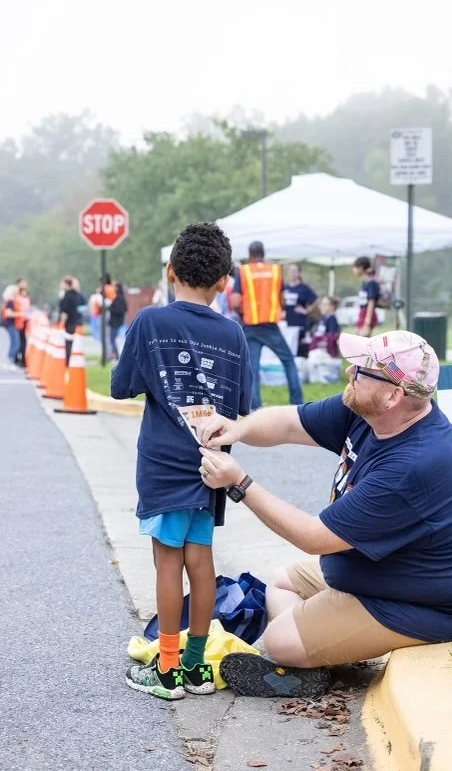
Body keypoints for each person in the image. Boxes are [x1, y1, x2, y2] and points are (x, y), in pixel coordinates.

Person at [196, 330, 452, 698]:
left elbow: (313, 537)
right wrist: (238, 427)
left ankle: (316, 660)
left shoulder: (414, 464)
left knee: (278, 642)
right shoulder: (370, 412)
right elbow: (290, 422)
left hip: (421, 603)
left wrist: (239, 482)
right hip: (381, 574)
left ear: (393, 395)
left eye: (363, 370)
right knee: (281, 582)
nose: (350, 372)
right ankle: (327, 653)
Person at [111, 222, 252, 701]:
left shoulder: (151, 322)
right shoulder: (233, 335)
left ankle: (167, 669)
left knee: (167, 563)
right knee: (203, 562)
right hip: (212, 464)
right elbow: (243, 404)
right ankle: (195, 668)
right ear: (223, 283)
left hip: (163, 464)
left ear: (170, 271)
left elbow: (121, 385)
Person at [232, 241, 303, 410]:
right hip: (271, 326)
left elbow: (235, 302)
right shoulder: (275, 271)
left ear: (249, 255)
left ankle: (255, 407)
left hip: (250, 327)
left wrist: (243, 314)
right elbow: (283, 300)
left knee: (252, 369)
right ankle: (297, 402)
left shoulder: (243, 272)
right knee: (288, 361)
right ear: (264, 254)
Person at [283, 264, 318, 357]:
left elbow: (316, 299)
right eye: (290, 271)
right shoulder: (285, 288)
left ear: (299, 273)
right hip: (288, 321)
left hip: (300, 322)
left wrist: (307, 310)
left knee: (299, 346)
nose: (292, 273)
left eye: (294, 271)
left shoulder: (303, 288)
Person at [353, 256, 380, 337]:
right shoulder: (364, 282)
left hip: (368, 314)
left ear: (361, 268)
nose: (353, 270)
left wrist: (367, 322)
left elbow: (371, 302)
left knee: (363, 340)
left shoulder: (371, 283)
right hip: (362, 314)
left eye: (355, 267)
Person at [59, 276, 81, 365]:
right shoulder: (75, 295)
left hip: (69, 322)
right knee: (70, 342)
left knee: (68, 343)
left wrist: (61, 323)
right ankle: (69, 361)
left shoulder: (67, 295)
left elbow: (65, 311)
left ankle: (67, 362)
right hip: (74, 320)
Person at [108, 281, 128, 360]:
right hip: (116, 322)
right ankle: (116, 355)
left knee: (114, 340)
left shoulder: (119, 298)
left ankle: (117, 356)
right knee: (113, 340)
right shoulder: (117, 297)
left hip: (116, 323)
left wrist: (110, 307)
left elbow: (121, 310)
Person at [2, 284, 21, 364]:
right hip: (11, 325)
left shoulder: (12, 302)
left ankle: (10, 361)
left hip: (12, 324)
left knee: (15, 343)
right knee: (15, 344)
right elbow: (9, 314)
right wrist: (21, 314)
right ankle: (9, 360)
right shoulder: (10, 302)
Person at [14, 278, 31, 367]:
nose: (24, 285)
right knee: (18, 341)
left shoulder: (25, 295)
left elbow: (28, 307)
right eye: (23, 283)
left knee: (23, 341)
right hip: (17, 321)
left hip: (24, 321)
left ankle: (22, 360)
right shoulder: (15, 295)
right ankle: (17, 359)